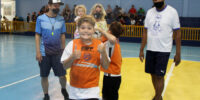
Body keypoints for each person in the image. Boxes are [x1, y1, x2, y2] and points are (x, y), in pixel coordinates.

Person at [139, 0, 181, 100]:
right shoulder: (149, 12)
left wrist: (178, 53)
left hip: (164, 50)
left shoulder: (172, 12)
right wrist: (141, 49)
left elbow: (178, 34)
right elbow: (145, 32)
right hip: (150, 49)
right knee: (152, 74)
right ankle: (158, 95)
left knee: (159, 76)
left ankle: (157, 97)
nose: (156, 1)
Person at [61, 15, 110, 100]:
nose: (86, 31)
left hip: (92, 91)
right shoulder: (72, 44)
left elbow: (106, 66)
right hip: (74, 91)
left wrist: (104, 53)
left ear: (93, 30)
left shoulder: (99, 45)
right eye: (83, 28)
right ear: (78, 29)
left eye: (89, 28)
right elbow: (65, 66)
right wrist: (72, 57)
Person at [35, 0, 69, 100]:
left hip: (58, 53)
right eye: (55, 5)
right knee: (44, 76)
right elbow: (37, 35)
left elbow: (62, 35)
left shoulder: (61, 19)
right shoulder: (40, 19)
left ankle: (63, 88)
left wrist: (63, 50)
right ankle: (46, 95)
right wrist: (38, 52)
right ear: (49, 6)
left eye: (59, 5)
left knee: (62, 76)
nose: (57, 7)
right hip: (44, 53)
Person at [97, 21, 123, 100]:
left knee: (108, 97)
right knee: (107, 96)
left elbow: (111, 38)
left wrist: (100, 30)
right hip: (111, 76)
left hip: (112, 77)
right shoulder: (112, 40)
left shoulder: (112, 41)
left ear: (109, 31)